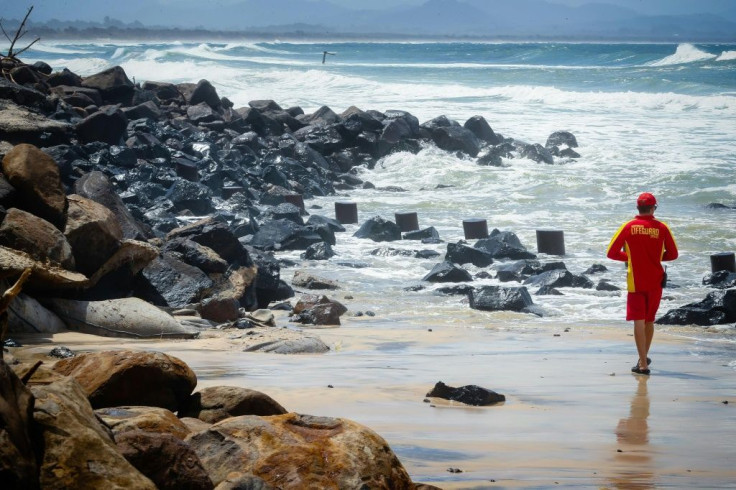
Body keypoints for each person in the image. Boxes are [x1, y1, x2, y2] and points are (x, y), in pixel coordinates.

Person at [607, 192, 678, 375]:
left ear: (638, 208)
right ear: (653, 208)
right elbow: (673, 254)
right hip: (655, 281)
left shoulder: (628, 226)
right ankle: (643, 358)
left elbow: (612, 252)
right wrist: (655, 257)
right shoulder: (662, 228)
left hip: (636, 281)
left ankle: (643, 365)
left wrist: (631, 257)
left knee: (638, 321)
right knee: (649, 320)